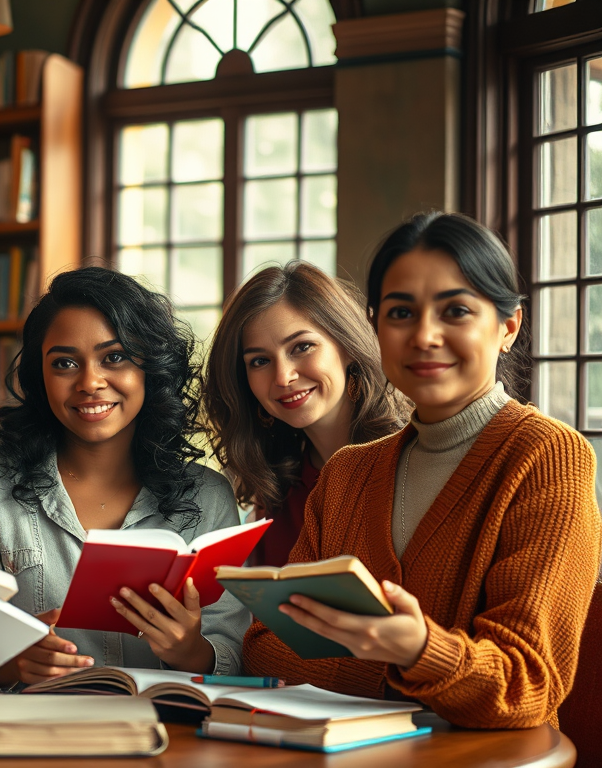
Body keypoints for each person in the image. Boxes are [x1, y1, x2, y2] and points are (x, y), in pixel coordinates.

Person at [242, 212, 601, 729]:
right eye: (401, 312)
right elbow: (265, 649)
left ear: (508, 326)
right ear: (375, 329)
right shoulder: (346, 473)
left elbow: (525, 686)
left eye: (455, 310)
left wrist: (417, 651)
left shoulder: (546, 458)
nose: (425, 336)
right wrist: (401, 663)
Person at [0, 266, 250, 687]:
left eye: (115, 357)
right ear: (41, 378)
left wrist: (191, 651)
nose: (90, 382)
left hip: (167, 737)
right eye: (65, 363)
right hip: (29, 738)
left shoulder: (208, 496)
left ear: (150, 367)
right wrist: (10, 663)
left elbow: (234, 650)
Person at [203, 261, 408, 566]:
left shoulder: (411, 459)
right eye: (259, 361)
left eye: (302, 347)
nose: (283, 377)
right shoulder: (275, 494)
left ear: (347, 344)